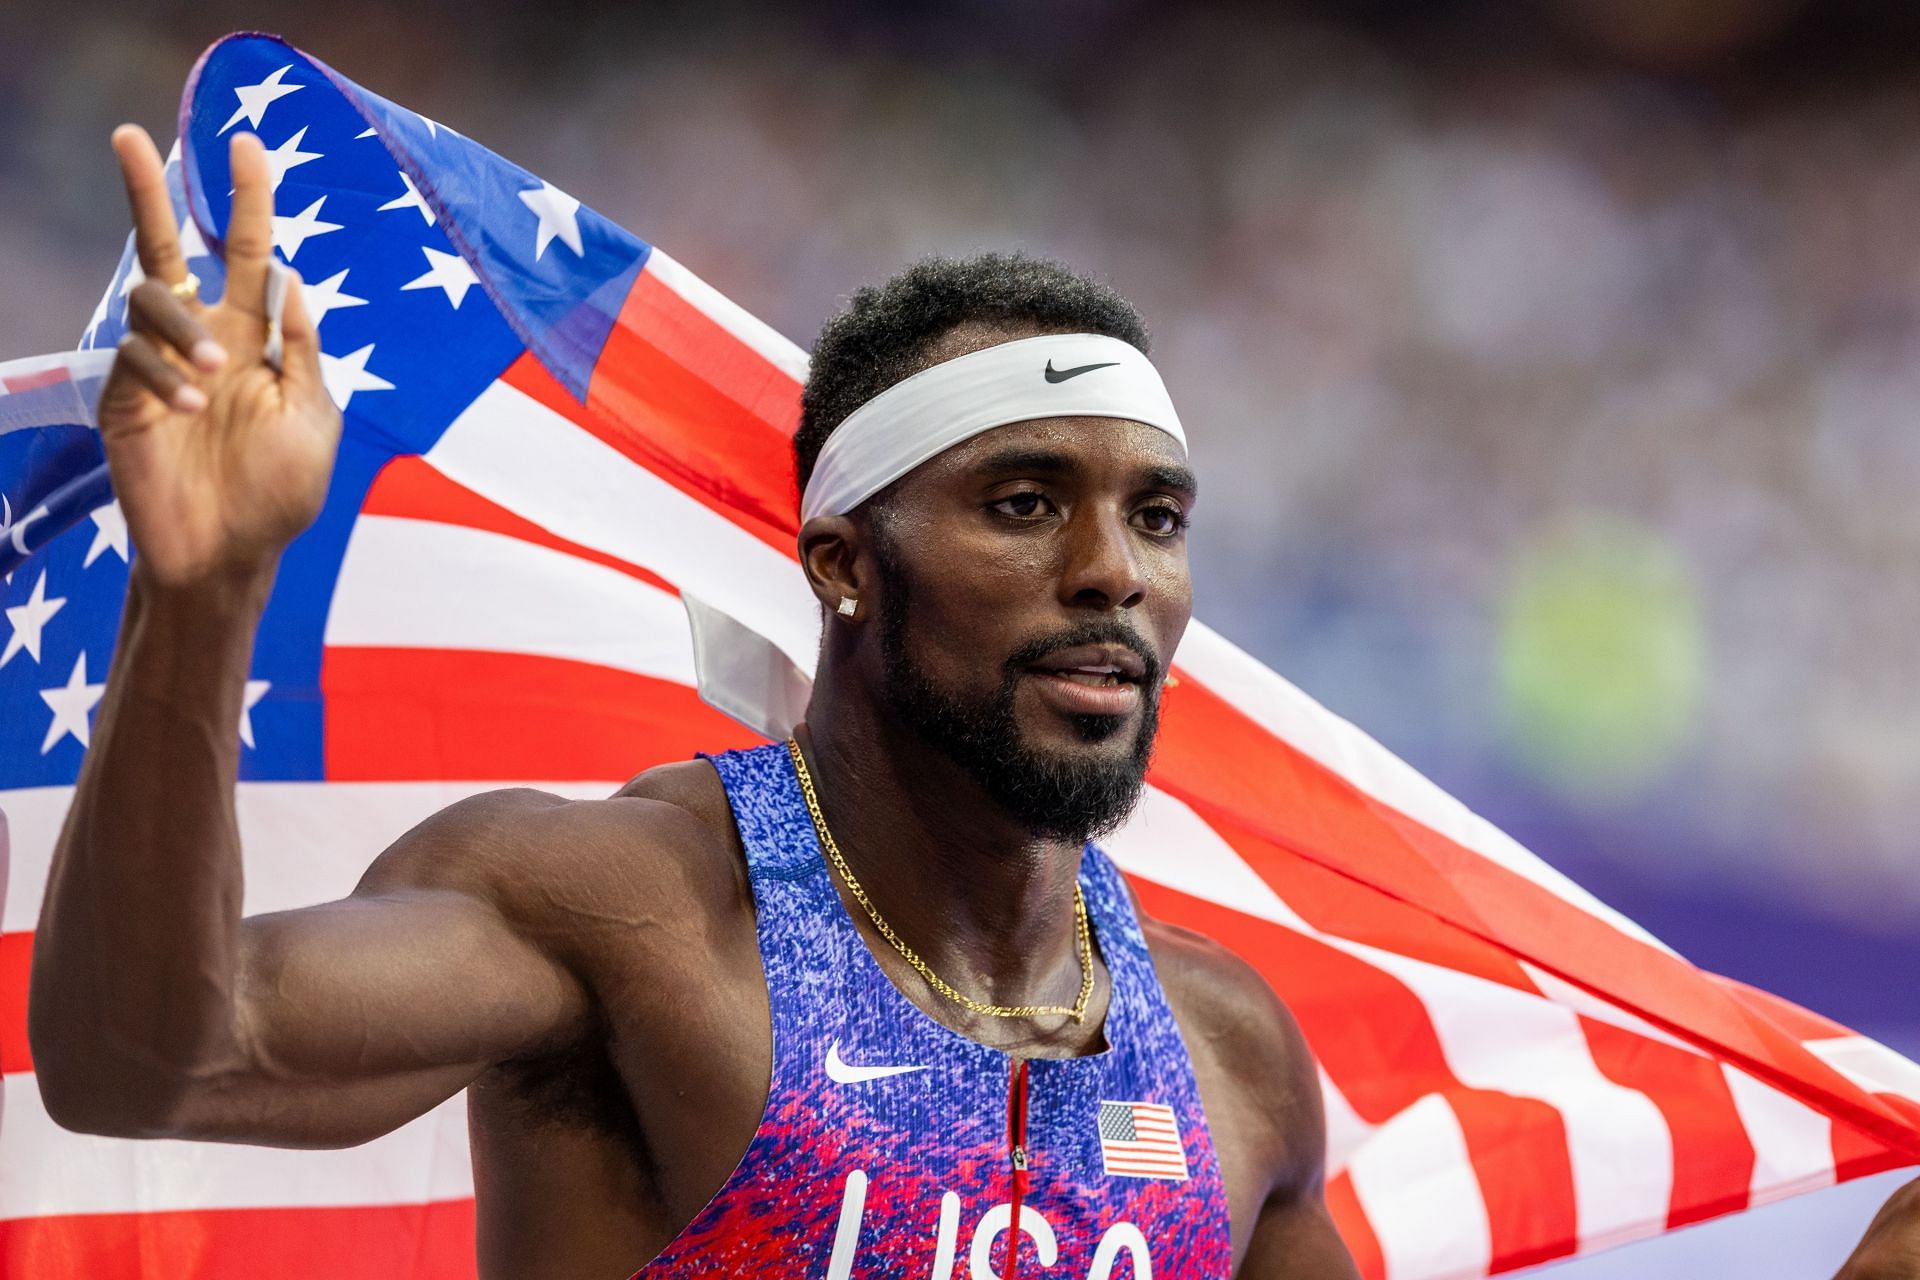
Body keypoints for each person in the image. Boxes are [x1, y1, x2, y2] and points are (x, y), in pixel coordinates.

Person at [22, 126, 1918, 1280]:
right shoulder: (638, 915)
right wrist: (202, 601)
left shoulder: (1226, 1050)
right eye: (1028, 505)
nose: (1118, 573)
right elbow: (151, 1061)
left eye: (1155, 518)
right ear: (845, 560)